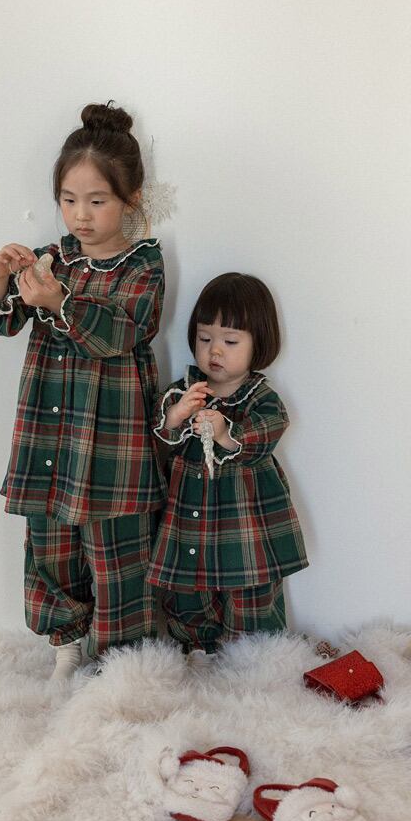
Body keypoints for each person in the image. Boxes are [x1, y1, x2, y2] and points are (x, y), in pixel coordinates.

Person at [0, 102, 167, 678]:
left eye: (97, 200)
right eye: (69, 199)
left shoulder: (143, 265)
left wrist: (58, 302)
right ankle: (66, 645)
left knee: (116, 547)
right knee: (50, 540)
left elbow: (122, 332)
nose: (81, 214)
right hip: (51, 429)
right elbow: (2, 320)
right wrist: (2, 275)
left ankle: (120, 660)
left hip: (114, 437)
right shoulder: (53, 260)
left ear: (130, 199)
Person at [147, 272, 308, 669]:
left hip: (244, 519)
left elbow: (267, 432)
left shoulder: (260, 397)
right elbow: (159, 436)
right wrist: (177, 415)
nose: (215, 350)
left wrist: (224, 432)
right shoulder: (186, 390)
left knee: (250, 588)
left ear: (259, 344)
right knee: (187, 586)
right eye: (205, 338)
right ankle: (197, 647)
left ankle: (254, 657)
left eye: (230, 341)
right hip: (188, 516)